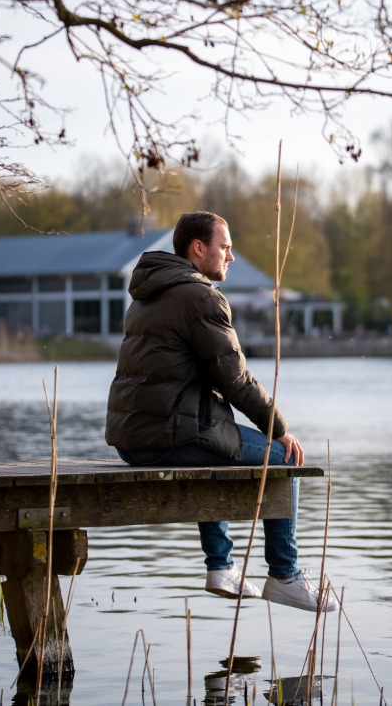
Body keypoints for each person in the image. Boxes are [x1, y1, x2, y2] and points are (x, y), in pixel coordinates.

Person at [106, 211, 334, 612]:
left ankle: (221, 565)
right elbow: (236, 378)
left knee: (213, 443)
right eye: (224, 247)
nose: (230, 256)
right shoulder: (200, 297)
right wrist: (278, 428)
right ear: (199, 248)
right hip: (166, 434)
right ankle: (284, 574)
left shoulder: (148, 295)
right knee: (282, 459)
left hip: (133, 437)